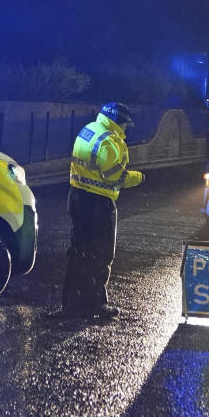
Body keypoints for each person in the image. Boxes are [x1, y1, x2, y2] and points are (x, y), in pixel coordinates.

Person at [56, 101, 144, 319]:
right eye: (125, 125)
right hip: (99, 204)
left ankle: (71, 303)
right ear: (118, 122)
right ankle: (94, 304)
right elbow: (115, 176)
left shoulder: (89, 130)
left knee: (78, 253)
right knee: (101, 254)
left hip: (77, 198)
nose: (125, 129)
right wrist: (139, 177)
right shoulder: (109, 141)